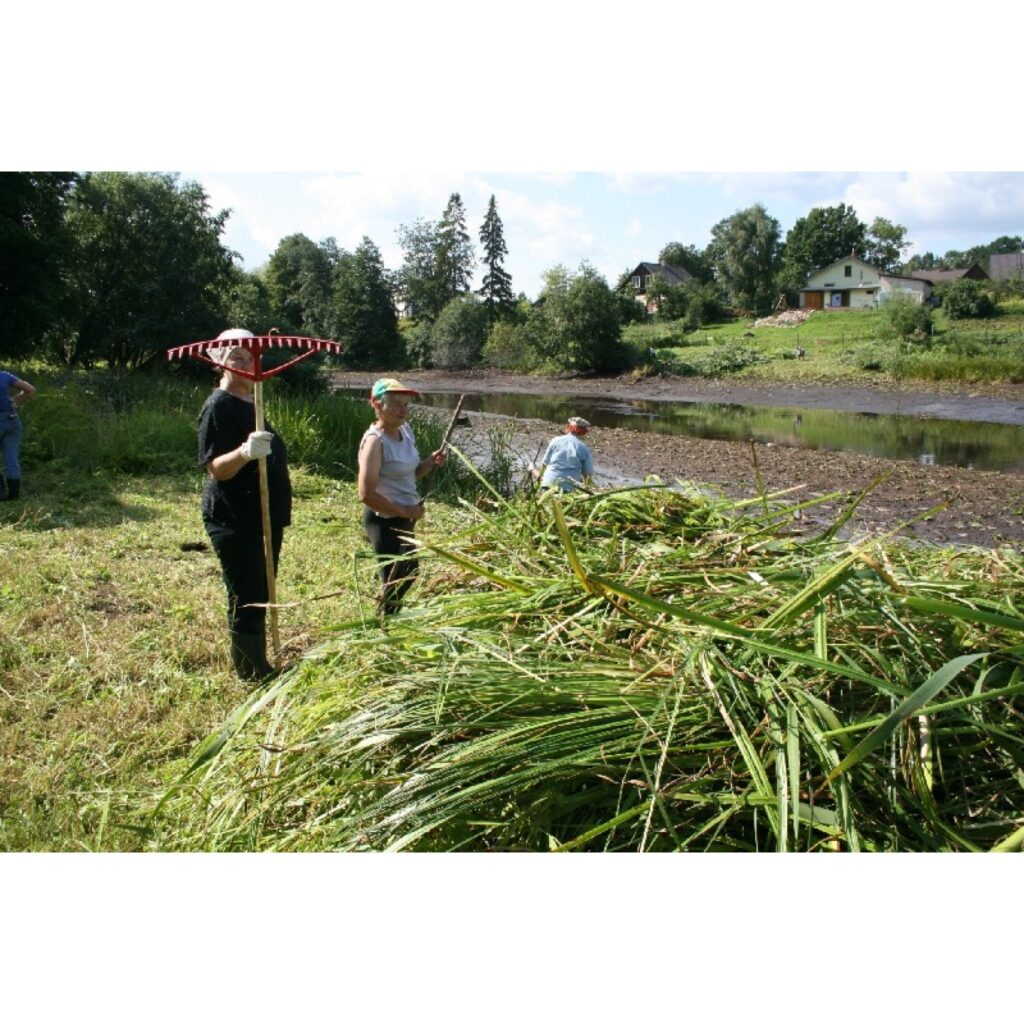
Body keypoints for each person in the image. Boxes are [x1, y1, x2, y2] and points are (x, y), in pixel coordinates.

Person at [197, 328, 291, 682]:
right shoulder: (218, 405)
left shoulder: (252, 401)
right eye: (236, 356)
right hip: (236, 518)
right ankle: (251, 672)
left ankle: (262, 660)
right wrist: (245, 452)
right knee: (247, 593)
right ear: (219, 361)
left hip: (263, 516)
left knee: (262, 587)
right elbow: (217, 469)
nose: (245, 363)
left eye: (250, 357)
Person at [357, 378, 446, 616]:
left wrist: (429, 463)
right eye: (395, 403)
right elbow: (365, 493)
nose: (402, 409)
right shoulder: (375, 442)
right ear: (376, 404)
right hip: (385, 519)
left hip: (404, 516)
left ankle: (389, 620)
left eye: (406, 404)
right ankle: (383, 626)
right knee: (394, 578)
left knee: (409, 572)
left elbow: (409, 474)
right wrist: (405, 511)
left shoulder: (405, 430)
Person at [0, 369, 36, 502]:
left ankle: (1, 494)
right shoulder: (4, 376)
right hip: (12, 421)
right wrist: (14, 402)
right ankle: (14, 496)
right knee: (11, 459)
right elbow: (30, 389)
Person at [532, 416, 594, 492]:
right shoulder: (583, 448)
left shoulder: (555, 440)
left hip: (548, 484)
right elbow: (587, 474)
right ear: (583, 432)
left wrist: (533, 469)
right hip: (568, 488)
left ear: (569, 428)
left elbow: (545, 464)